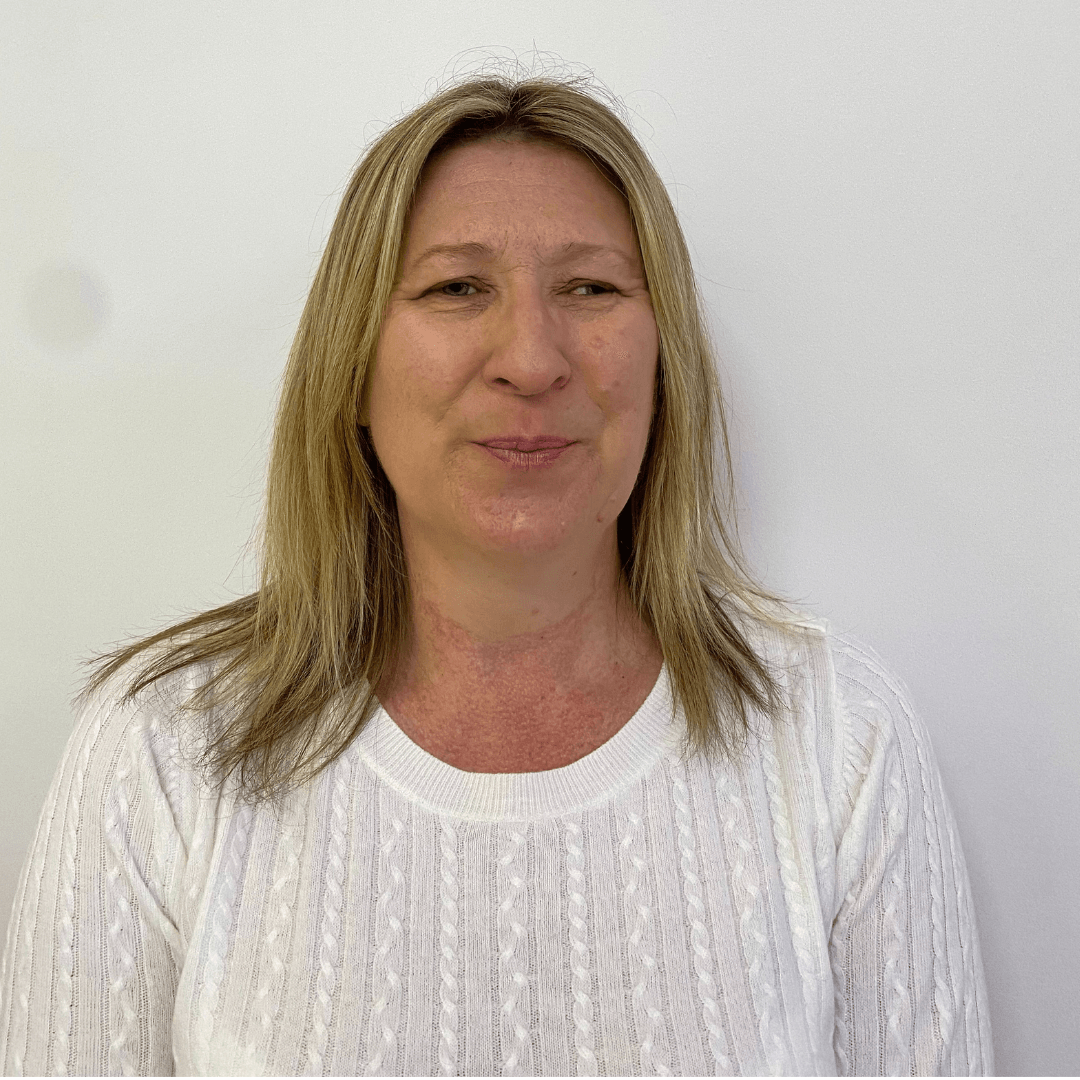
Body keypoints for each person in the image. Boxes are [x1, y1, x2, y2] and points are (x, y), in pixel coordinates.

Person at [0, 72, 993, 1076]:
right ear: (353, 366)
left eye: (591, 288)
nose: (530, 357)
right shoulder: (162, 750)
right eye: (456, 287)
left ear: (663, 361)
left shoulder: (838, 737)